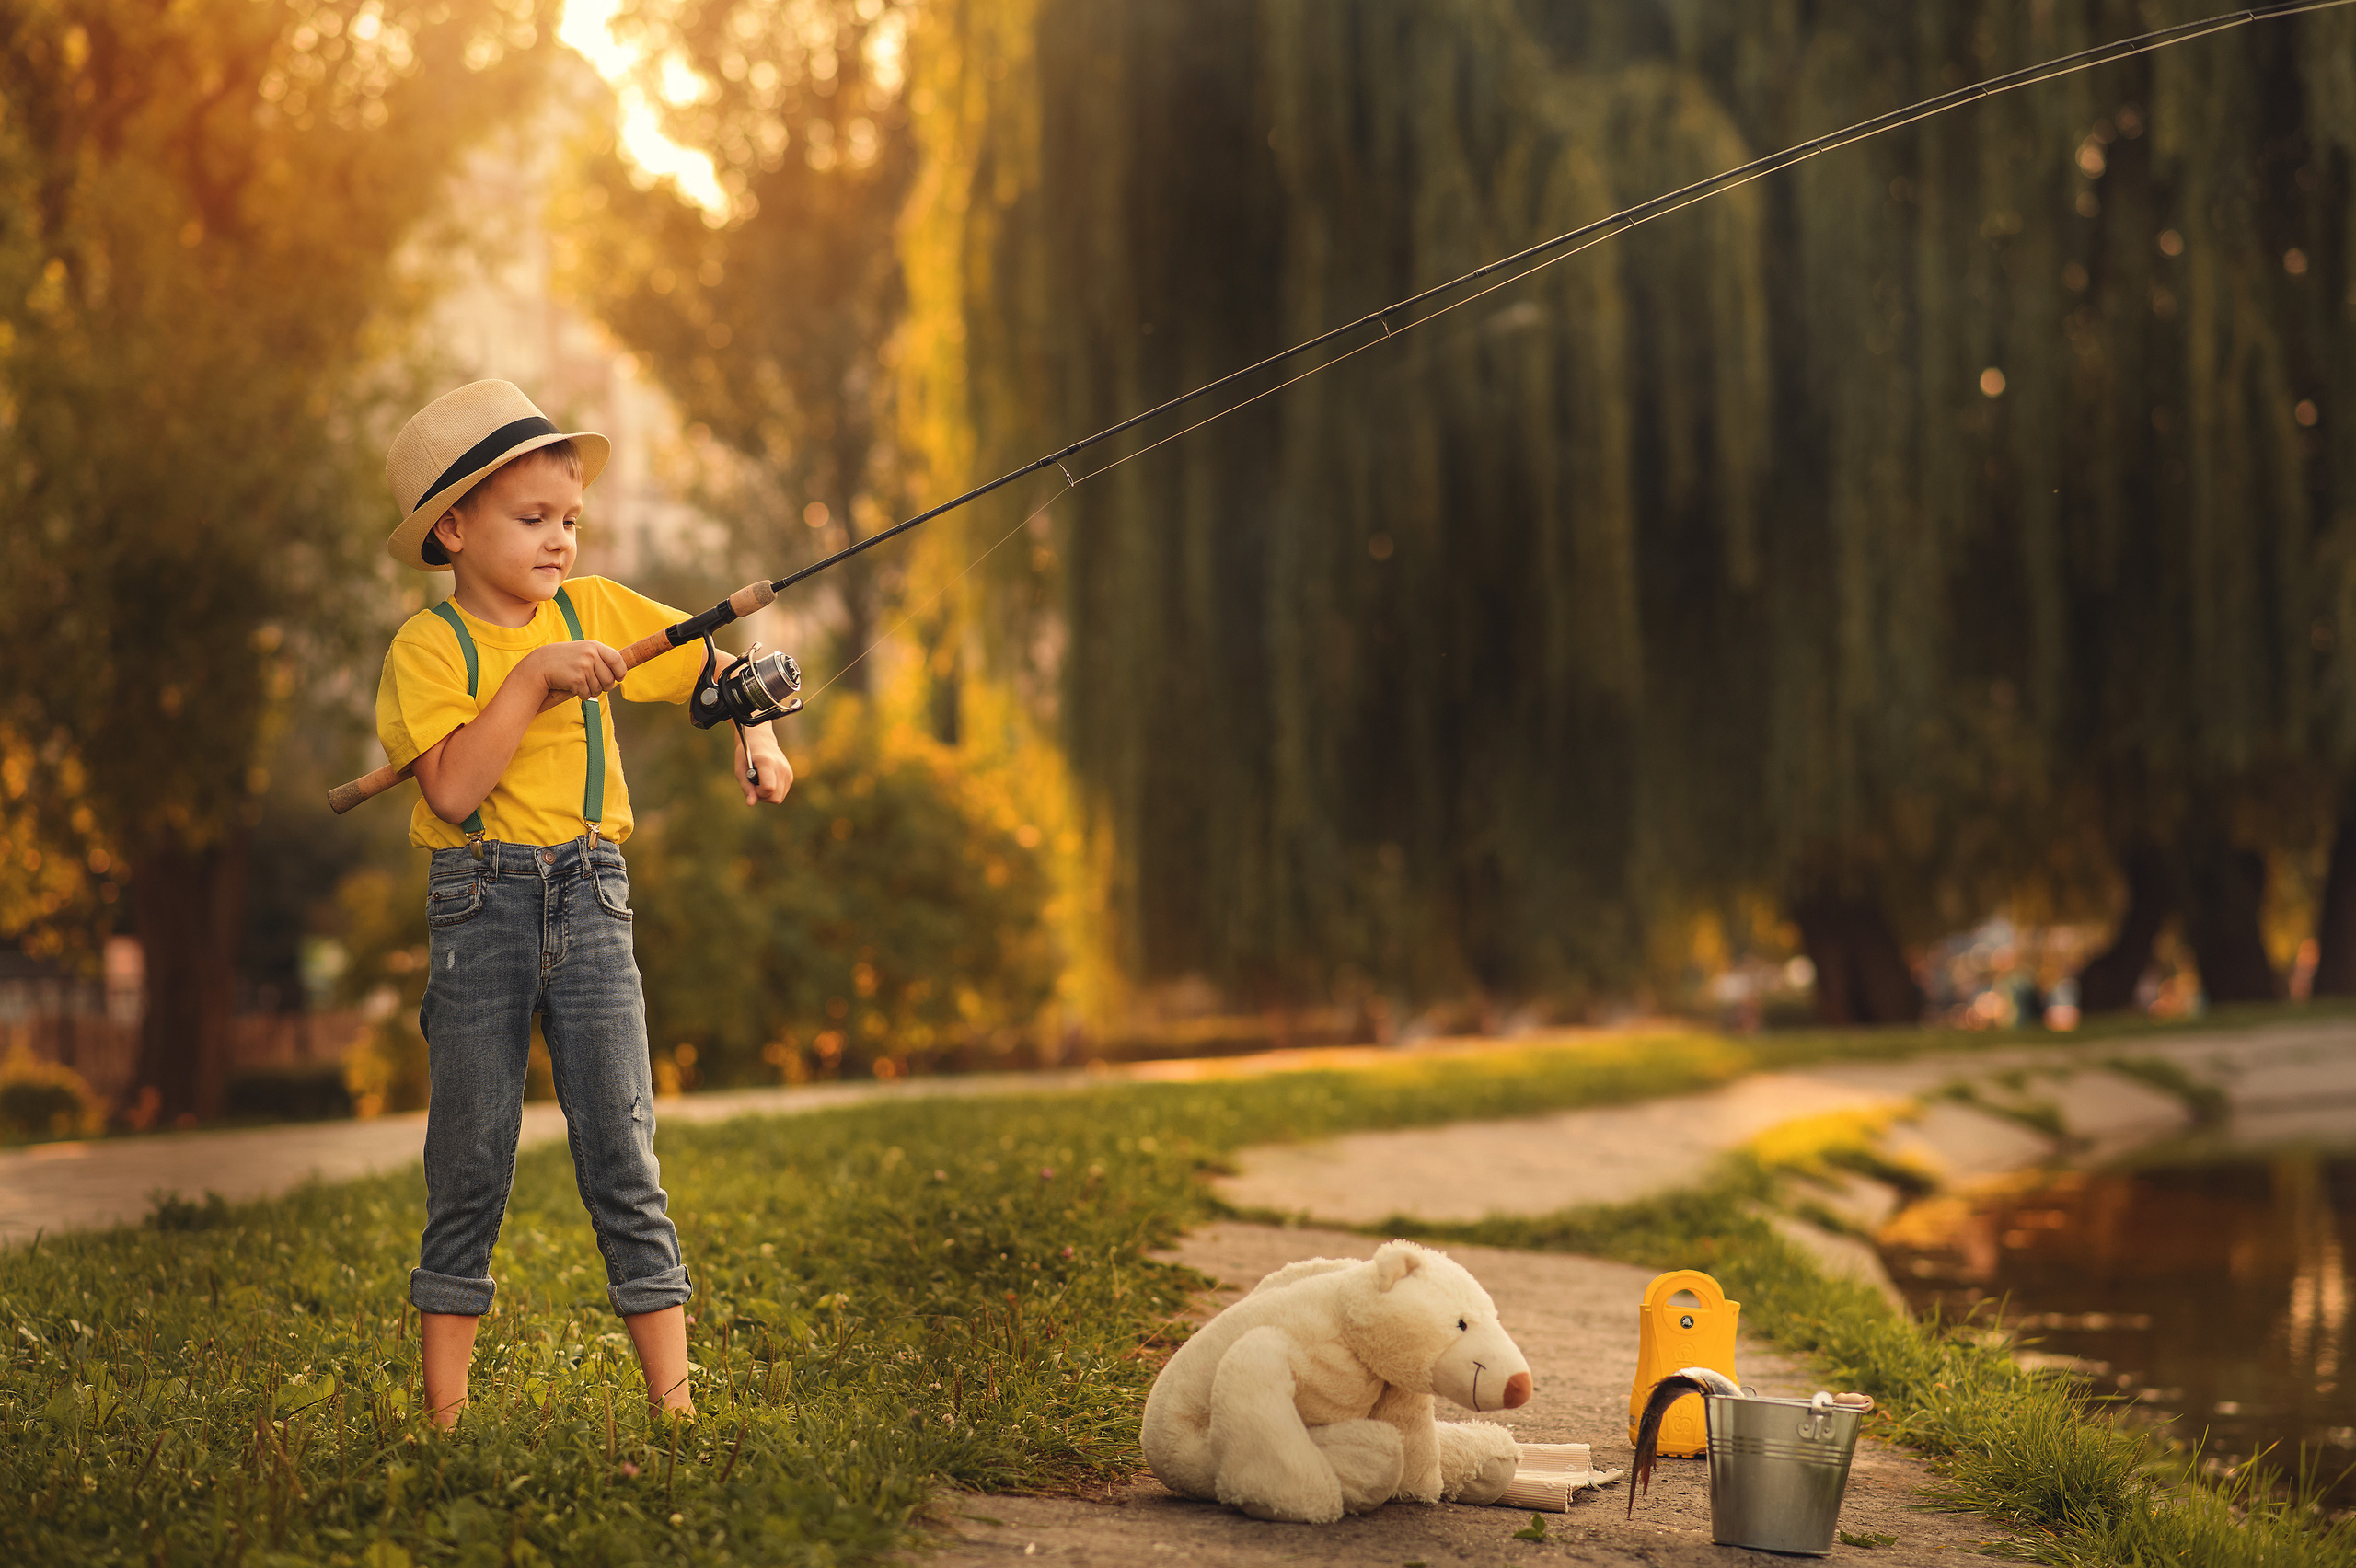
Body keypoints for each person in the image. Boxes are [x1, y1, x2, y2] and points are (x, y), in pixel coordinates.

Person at [374, 380, 792, 1428]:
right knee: (470, 1159)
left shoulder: (598, 610)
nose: (560, 541)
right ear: (453, 530)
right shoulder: (427, 651)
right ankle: (445, 1416)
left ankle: (676, 1409)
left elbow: (725, 665)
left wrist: (760, 734)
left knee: (624, 1151)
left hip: (593, 898)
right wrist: (532, 681)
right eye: (532, 520)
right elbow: (454, 790)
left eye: (568, 519)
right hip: (481, 906)